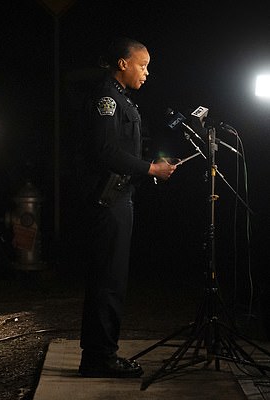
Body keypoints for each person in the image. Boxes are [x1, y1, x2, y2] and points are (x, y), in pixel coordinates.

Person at [74, 37, 176, 378]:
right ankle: (100, 357)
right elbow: (104, 150)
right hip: (109, 201)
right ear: (123, 64)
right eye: (142, 65)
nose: (146, 73)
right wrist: (151, 169)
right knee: (108, 280)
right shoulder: (107, 99)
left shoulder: (122, 99)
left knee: (113, 278)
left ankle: (100, 354)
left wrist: (149, 167)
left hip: (121, 197)